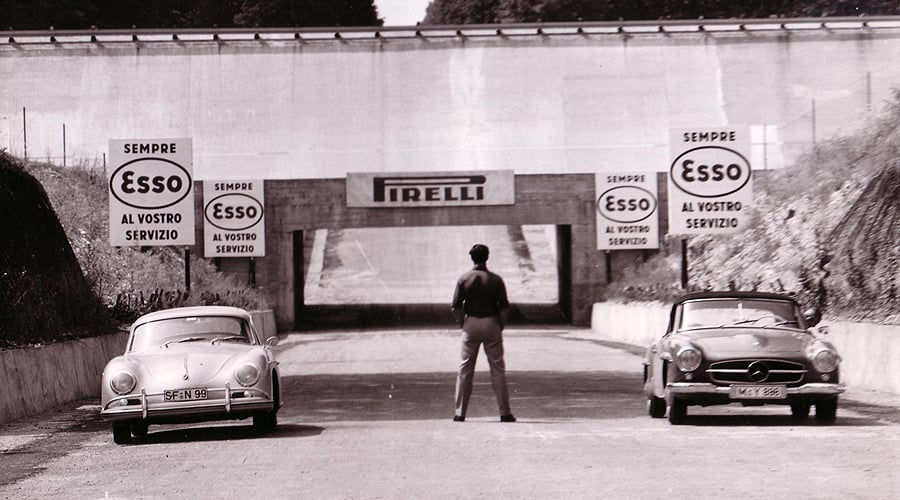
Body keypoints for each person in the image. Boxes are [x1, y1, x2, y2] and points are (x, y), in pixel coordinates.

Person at [451, 243, 516, 423]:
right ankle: (505, 412)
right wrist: (499, 325)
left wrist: (463, 323)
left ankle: (460, 412)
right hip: (491, 322)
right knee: (497, 369)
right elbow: (504, 307)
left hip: (470, 323)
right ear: (487, 257)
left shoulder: (463, 278)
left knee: (465, 369)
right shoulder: (496, 280)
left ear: (471, 258)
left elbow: (455, 307)